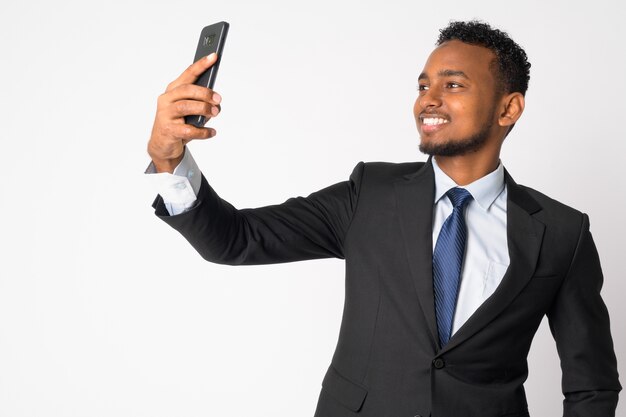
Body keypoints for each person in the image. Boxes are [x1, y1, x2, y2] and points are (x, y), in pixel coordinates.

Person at [146, 20, 620, 417]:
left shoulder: (562, 232)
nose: (428, 99)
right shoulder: (369, 194)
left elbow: (591, 385)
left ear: (508, 107)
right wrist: (171, 161)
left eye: (452, 85)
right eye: (423, 85)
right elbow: (235, 240)